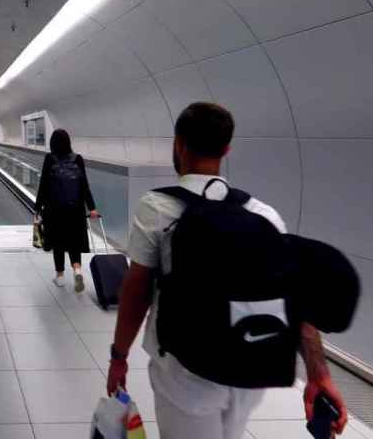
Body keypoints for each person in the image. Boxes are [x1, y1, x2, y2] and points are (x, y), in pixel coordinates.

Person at [106, 102, 348, 439]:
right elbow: (295, 301)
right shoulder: (263, 214)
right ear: (226, 149)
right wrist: (319, 374)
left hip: (183, 372)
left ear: (179, 144)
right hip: (248, 369)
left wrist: (119, 355)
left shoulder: (157, 208)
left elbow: (137, 291)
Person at [34, 129, 99, 293]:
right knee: (74, 241)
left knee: (58, 242)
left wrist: (38, 207)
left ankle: (60, 276)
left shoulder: (50, 159)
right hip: (75, 210)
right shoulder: (78, 159)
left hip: (54, 209)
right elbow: (84, 186)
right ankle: (77, 270)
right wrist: (92, 208)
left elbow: (43, 185)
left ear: (52, 143)